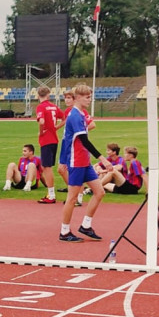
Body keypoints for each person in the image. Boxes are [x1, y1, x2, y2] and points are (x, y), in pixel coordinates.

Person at [59, 84, 111, 242]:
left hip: (85, 161)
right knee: (72, 198)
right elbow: (84, 141)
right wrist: (102, 158)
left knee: (99, 192)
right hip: (76, 162)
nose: (90, 100)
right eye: (87, 97)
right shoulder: (74, 116)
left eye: (90, 96)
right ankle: (64, 231)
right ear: (78, 97)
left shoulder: (81, 114)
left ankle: (86, 226)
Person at [34, 86, 64, 203]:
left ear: (38, 95)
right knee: (47, 166)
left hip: (46, 139)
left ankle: (51, 194)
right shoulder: (54, 106)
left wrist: (41, 132)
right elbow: (64, 118)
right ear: (48, 94)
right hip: (54, 139)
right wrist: (56, 128)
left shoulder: (41, 107)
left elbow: (41, 121)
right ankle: (50, 193)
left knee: (47, 168)